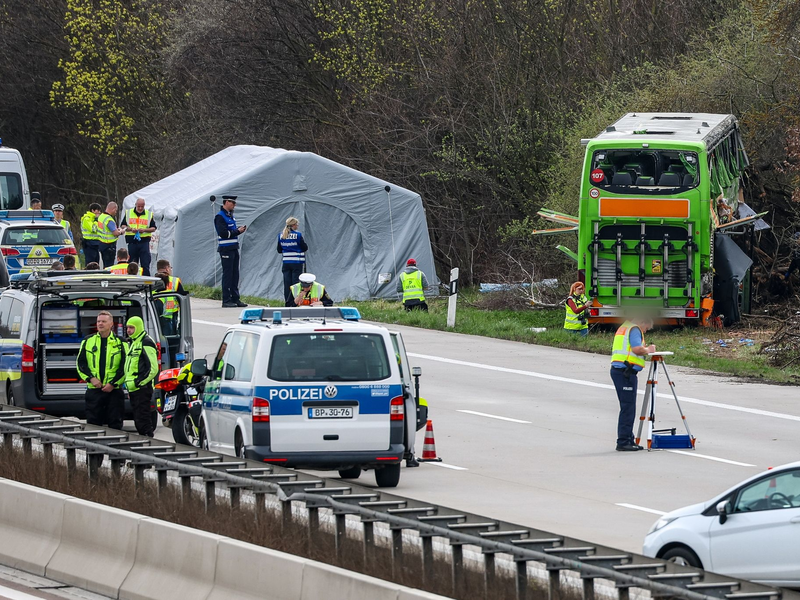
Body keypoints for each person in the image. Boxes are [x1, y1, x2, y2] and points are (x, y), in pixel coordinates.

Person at [610, 317, 655, 452]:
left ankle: (628, 438)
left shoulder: (625, 327)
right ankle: (623, 441)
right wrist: (648, 350)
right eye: (646, 328)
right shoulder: (635, 329)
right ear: (643, 322)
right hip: (625, 372)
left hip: (621, 371)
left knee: (628, 406)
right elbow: (636, 349)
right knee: (628, 408)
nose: (645, 332)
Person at [76, 311, 126, 430]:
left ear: (111, 324)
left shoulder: (121, 342)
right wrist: (91, 378)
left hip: (114, 391)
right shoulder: (88, 341)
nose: (100, 324)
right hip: (94, 390)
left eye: (104, 321)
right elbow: (80, 363)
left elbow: (126, 366)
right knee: (93, 424)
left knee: (115, 425)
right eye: (98, 321)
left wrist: (113, 384)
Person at [123, 316, 159, 437]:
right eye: (127, 327)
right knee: (139, 420)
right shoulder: (134, 342)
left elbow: (153, 368)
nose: (129, 330)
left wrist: (139, 382)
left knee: (143, 421)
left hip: (142, 388)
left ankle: (149, 445)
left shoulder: (146, 342)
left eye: (131, 328)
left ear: (138, 327)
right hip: (134, 388)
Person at [214, 195, 247, 308]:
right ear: (226, 202)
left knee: (235, 274)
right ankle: (226, 299)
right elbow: (223, 233)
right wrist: (237, 231)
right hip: (226, 249)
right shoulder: (220, 217)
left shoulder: (230, 216)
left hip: (233, 247)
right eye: (232, 203)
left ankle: (235, 298)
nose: (234, 205)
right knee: (228, 275)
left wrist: (237, 231)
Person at [120, 197, 156, 275]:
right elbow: (122, 226)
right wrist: (130, 229)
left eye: (142, 207)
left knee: (145, 264)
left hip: (144, 242)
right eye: (138, 206)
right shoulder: (129, 213)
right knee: (132, 264)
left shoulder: (148, 214)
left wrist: (144, 230)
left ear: (144, 206)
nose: (140, 208)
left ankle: (146, 283)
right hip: (132, 242)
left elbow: (153, 228)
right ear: (135, 205)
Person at [277, 216, 308, 304]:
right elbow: (304, 247)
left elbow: (279, 250)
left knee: (287, 284)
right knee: (296, 284)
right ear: (293, 225)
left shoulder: (281, 235)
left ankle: (287, 302)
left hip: (286, 263)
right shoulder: (298, 235)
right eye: (297, 224)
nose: (297, 226)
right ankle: (295, 302)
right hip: (296, 262)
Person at [96, 202, 126, 268]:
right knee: (109, 266)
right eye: (116, 210)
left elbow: (106, 229)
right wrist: (121, 231)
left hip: (101, 243)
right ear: (113, 209)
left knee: (104, 264)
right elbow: (115, 233)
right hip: (109, 246)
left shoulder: (101, 216)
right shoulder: (109, 219)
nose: (116, 212)